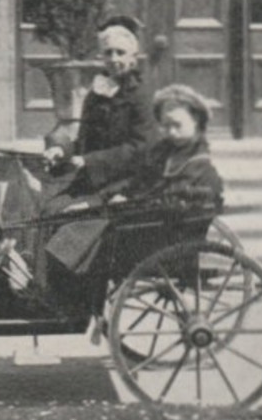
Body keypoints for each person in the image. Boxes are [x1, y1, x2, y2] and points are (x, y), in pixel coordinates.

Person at [44, 84, 224, 276]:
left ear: (196, 120)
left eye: (177, 125)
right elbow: (136, 182)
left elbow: (167, 200)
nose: (171, 132)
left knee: (86, 231)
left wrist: (122, 204)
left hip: (157, 231)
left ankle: (70, 283)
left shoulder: (199, 165)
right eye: (166, 126)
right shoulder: (163, 152)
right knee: (72, 217)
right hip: (139, 216)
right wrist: (96, 202)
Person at [40, 15, 159, 195]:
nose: (113, 59)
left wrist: (90, 161)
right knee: (48, 208)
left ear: (133, 58)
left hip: (130, 184)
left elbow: (141, 148)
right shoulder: (96, 93)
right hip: (98, 177)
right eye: (108, 52)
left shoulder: (141, 95)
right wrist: (61, 150)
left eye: (120, 53)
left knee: (70, 217)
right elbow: (84, 141)